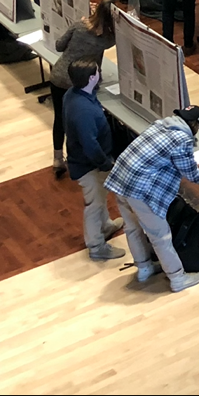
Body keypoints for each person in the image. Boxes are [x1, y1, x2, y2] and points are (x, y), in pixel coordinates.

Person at [103, 105, 199, 292]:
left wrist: (195, 164)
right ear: (195, 125)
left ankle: (144, 268)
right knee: (160, 236)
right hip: (140, 190)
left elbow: (167, 157)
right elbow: (193, 177)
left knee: (132, 228)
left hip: (121, 180)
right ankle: (177, 278)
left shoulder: (160, 125)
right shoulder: (182, 138)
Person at [61, 57, 125, 261]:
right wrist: (107, 164)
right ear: (91, 78)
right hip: (89, 165)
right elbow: (90, 146)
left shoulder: (74, 94)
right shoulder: (84, 111)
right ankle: (96, 246)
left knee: (100, 196)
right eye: (97, 71)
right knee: (94, 204)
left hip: (91, 162)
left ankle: (105, 225)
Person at [48, 0, 117, 176]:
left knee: (59, 119)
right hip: (80, 81)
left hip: (58, 75)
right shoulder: (108, 39)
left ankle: (57, 159)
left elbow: (59, 45)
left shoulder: (79, 26)